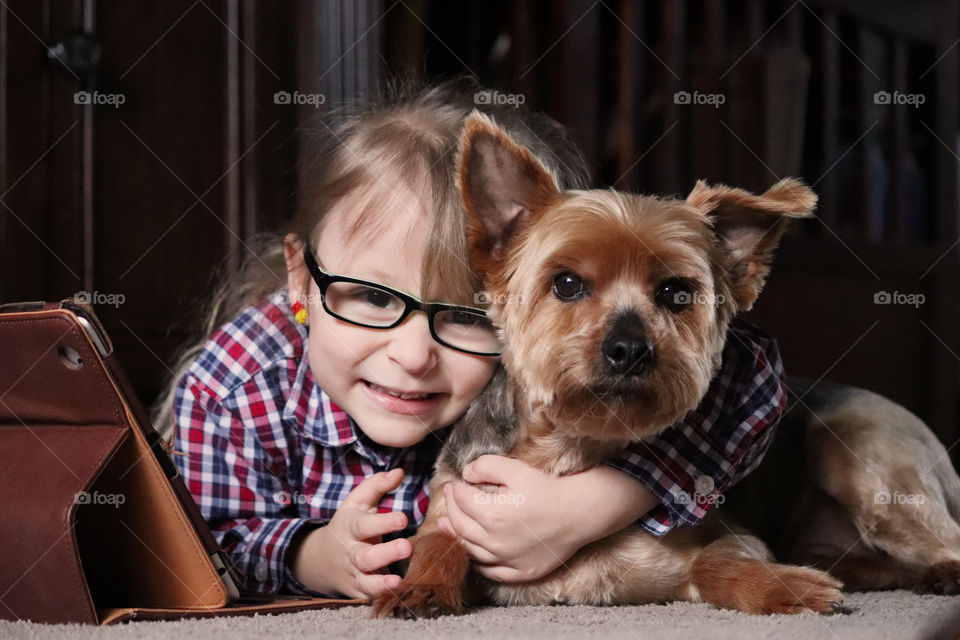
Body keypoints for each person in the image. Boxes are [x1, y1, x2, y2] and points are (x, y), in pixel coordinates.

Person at [152, 80, 787, 599]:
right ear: (301, 278)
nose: (412, 355)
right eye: (374, 298)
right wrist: (310, 555)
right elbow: (205, 547)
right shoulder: (231, 390)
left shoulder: (541, 349)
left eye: (466, 316)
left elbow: (749, 373)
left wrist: (597, 503)